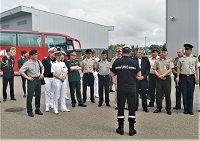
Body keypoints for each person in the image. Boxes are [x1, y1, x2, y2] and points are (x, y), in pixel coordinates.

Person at [111, 45, 141, 136]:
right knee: (131, 107)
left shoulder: (117, 61)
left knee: (120, 107)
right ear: (130, 52)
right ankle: (131, 129)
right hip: (131, 87)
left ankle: (121, 128)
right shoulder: (134, 62)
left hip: (121, 88)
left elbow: (112, 73)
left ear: (122, 52)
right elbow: (139, 75)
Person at [19, 49, 44, 117]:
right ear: (31, 56)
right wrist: (27, 77)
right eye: (35, 54)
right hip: (32, 80)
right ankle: (29, 111)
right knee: (30, 96)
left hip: (38, 79)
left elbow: (42, 67)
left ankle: (37, 109)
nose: (36, 55)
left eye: (37, 54)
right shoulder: (27, 63)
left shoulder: (38, 61)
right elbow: (21, 71)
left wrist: (42, 74)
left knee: (38, 95)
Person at [176, 44, 199, 115]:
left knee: (190, 94)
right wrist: (177, 77)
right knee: (184, 93)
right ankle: (185, 109)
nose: (186, 51)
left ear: (191, 50)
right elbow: (178, 68)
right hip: (183, 77)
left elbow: (197, 69)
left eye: (187, 49)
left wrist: (197, 77)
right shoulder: (181, 59)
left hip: (191, 77)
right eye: (185, 49)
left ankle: (190, 109)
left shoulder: (195, 58)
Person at [153, 48, 174, 115]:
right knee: (158, 94)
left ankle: (168, 108)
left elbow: (170, 69)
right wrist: (159, 75)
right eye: (161, 52)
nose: (162, 53)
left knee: (167, 94)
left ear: (167, 53)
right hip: (158, 78)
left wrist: (163, 75)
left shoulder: (169, 60)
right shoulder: (157, 60)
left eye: (164, 52)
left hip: (167, 78)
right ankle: (158, 107)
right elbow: (154, 69)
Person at [134, 48, 150, 112]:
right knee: (135, 94)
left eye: (141, 53)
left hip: (143, 79)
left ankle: (145, 107)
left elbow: (148, 69)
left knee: (144, 93)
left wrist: (144, 76)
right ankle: (135, 107)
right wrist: (136, 76)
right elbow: (132, 69)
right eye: (139, 52)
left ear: (143, 53)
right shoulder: (133, 59)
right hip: (136, 79)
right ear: (137, 53)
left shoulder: (146, 59)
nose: (140, 54)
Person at [42, 47, 57, 112]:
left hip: (54, 77)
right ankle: (47, 104)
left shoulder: (56, 60)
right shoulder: (45, 60)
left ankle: (51, 103)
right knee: (47, 91)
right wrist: (42, 74)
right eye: (53, 52)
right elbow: (42, 68)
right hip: (47, 77)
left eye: (55, 53)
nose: (54, 54)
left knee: (53, 91)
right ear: (50, 53)